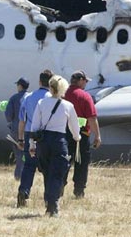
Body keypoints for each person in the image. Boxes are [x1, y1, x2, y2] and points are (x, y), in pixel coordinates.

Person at [30, 75, 80, 217]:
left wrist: (31, 144)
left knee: (46, 172)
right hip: (59, 141)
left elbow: (34, 126)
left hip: (43, 142)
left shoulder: (41, 103)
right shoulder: (68, 106)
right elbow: (74, 128)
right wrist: (77, 138)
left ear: (50, 88)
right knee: (57, 174)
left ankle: (49, 202)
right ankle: (54, 204)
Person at [17, 69, 53, 207]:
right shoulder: (53, 98)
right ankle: (48, 198)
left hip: (30, 133)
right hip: (47, 134)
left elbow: (22, 120)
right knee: (47, 167)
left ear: (39, 81)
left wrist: (20, 139)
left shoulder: (28, 97)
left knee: (29, 166)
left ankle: (23, 192)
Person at [63, 70, 101, 198]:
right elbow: (92, 117)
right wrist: (97, 136)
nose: (86, 83)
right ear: (80, 80)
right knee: (81, 163)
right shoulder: (85, 96)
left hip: (63, 134)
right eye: (85, 81)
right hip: (81, 135)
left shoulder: (62, 94)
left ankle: (58, 187)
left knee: (63, 161)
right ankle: (79, 190)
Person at [5, 77, 29, 180]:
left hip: (16, 129)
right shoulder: (31, 97)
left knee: (19, 154)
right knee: (28, 153)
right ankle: (27, 174)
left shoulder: (14, 98)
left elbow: (8, 116)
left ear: (20, 86)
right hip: (30, 129)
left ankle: (19, 175)